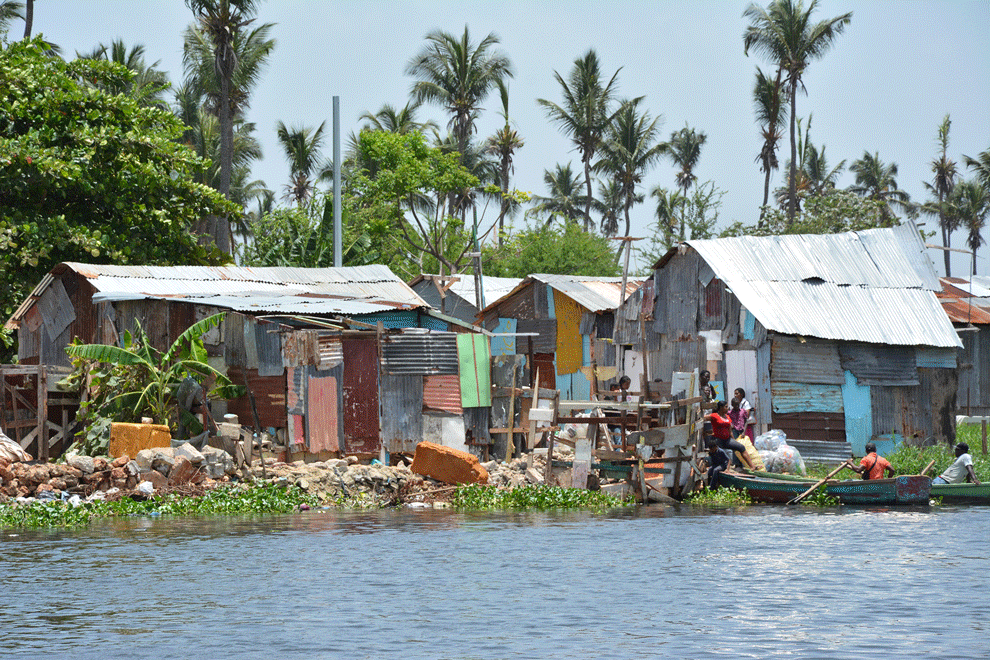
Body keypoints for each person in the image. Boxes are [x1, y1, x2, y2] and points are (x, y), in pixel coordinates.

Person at [706, 400, 754, 470]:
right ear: (721, 407)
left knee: (741, 447)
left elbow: (730, 430)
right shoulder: (715, 416)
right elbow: (704, 418)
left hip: (727, 440)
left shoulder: (727, 417)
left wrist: (734, 440)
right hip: (717, 440)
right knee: (719, 455)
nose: (727, 408)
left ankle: (752, 466)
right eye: (726, 407)